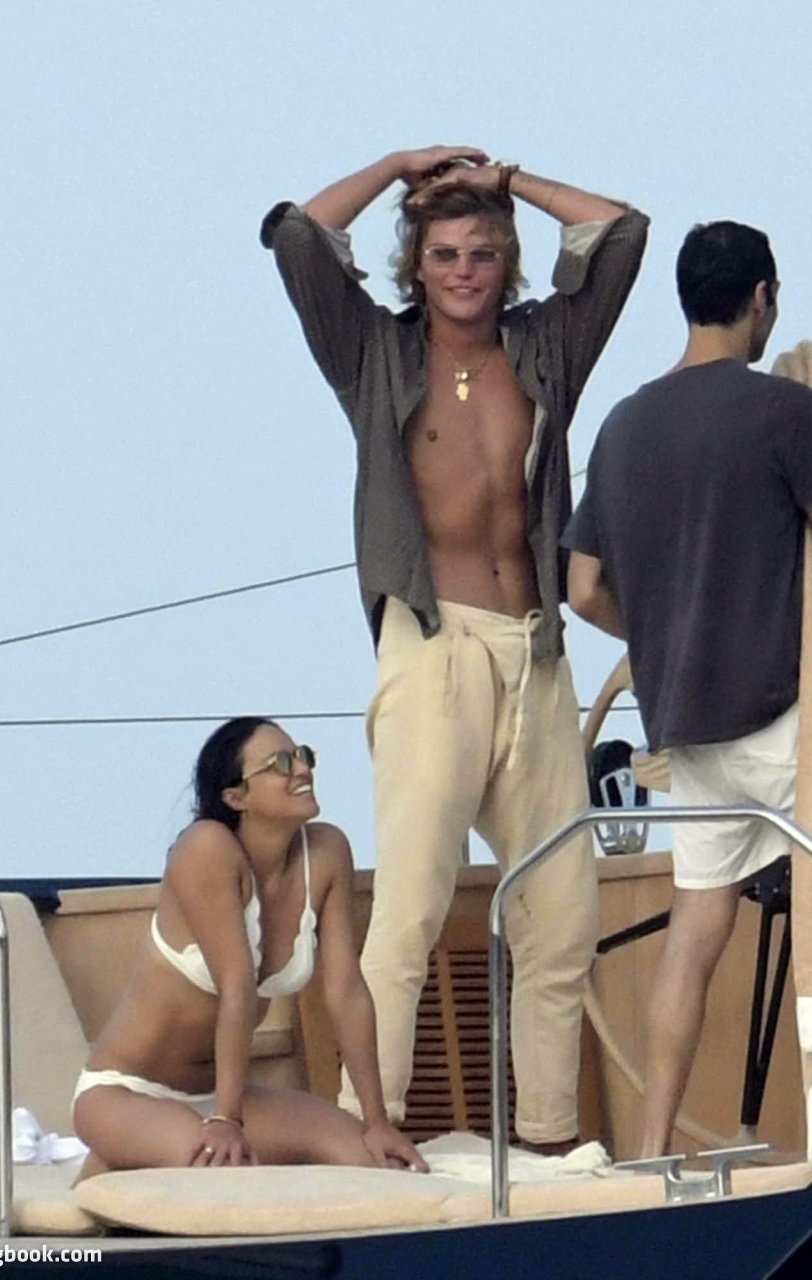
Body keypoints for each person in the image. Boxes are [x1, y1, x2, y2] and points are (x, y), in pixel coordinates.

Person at [262, 147, 649, 1150]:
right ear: (416, 265)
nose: (465, 270)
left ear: (507, 261)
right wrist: (400, 164)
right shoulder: (376, 353)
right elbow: (299, 238)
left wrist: (511, 181)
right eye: (444, 254)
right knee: (410, 908)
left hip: (537, 653)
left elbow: (620, 233)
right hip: (434, 646)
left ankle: (549, 1140)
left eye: (482, 252)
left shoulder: (545, 345)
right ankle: (370, 1129)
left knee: (561, 913)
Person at [564, 221, 812, 1156]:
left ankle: (653, 1142)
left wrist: (664, 639)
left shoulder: (623, 425)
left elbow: (584, 587)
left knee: (696, 929)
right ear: (762, 298)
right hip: (786, 717)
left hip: (686, 726)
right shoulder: (783, 412)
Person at [73, 716, 428, 1175]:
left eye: (302, 755)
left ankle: (130, 1155)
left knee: (374, 1160)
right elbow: (237, 983)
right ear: (235, 797)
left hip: (220, 1095)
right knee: (224, 1171)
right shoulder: (206, 847)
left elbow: (345, 990)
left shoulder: (327, 851)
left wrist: (378, 1122)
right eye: (280, 763)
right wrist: (227, 1121)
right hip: (127, 1091)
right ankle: (121, 1148)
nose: (302, 769)